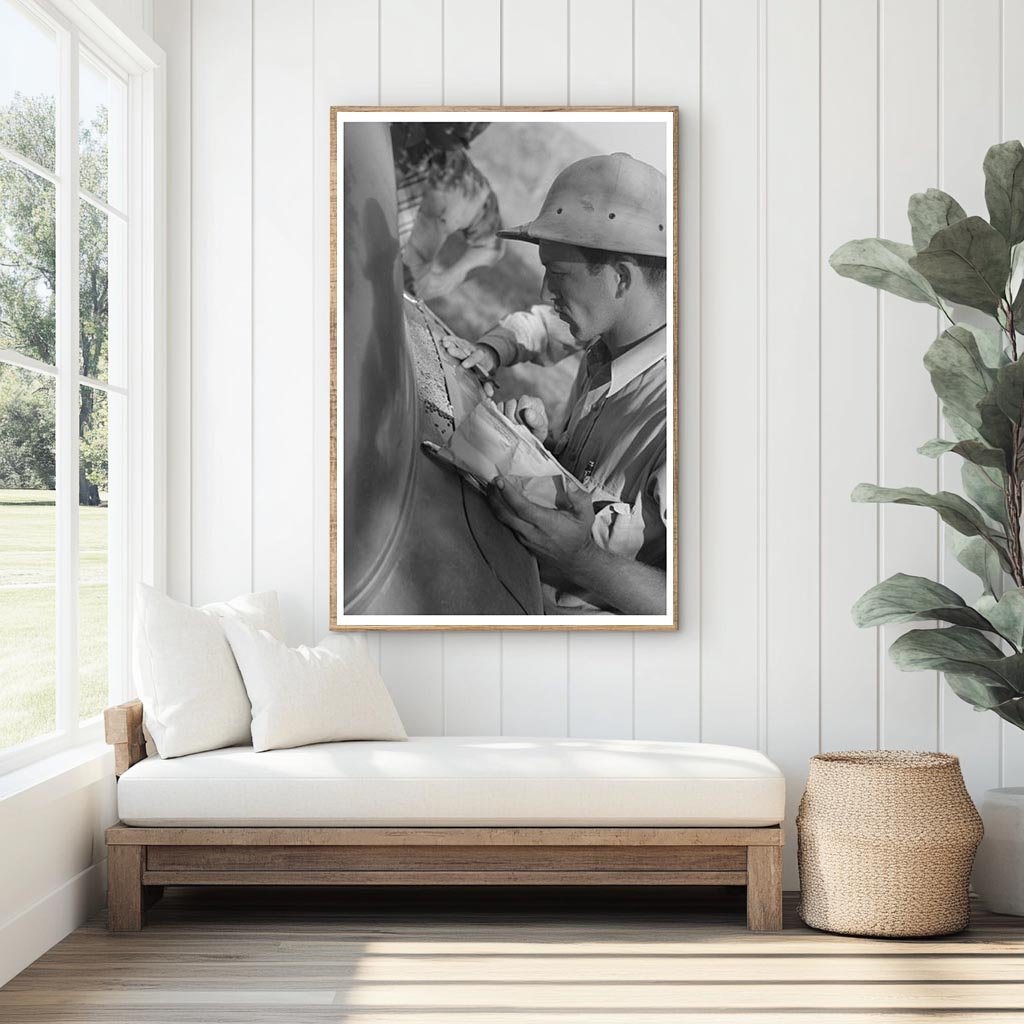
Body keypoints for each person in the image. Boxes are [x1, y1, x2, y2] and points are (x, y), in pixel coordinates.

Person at [447, 152, 670, 616]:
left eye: (559, 274)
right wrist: (544, 449)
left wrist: (580, 560)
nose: (545, 291)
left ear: (621, 279)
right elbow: (543, 326)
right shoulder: (609, 335)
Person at [391, 122, 505, 301]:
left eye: (482, 120)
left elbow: (492, 244)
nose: (469, 129)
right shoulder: (374, 133)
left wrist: (445, 280)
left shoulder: (469, 185)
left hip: (395, 299)